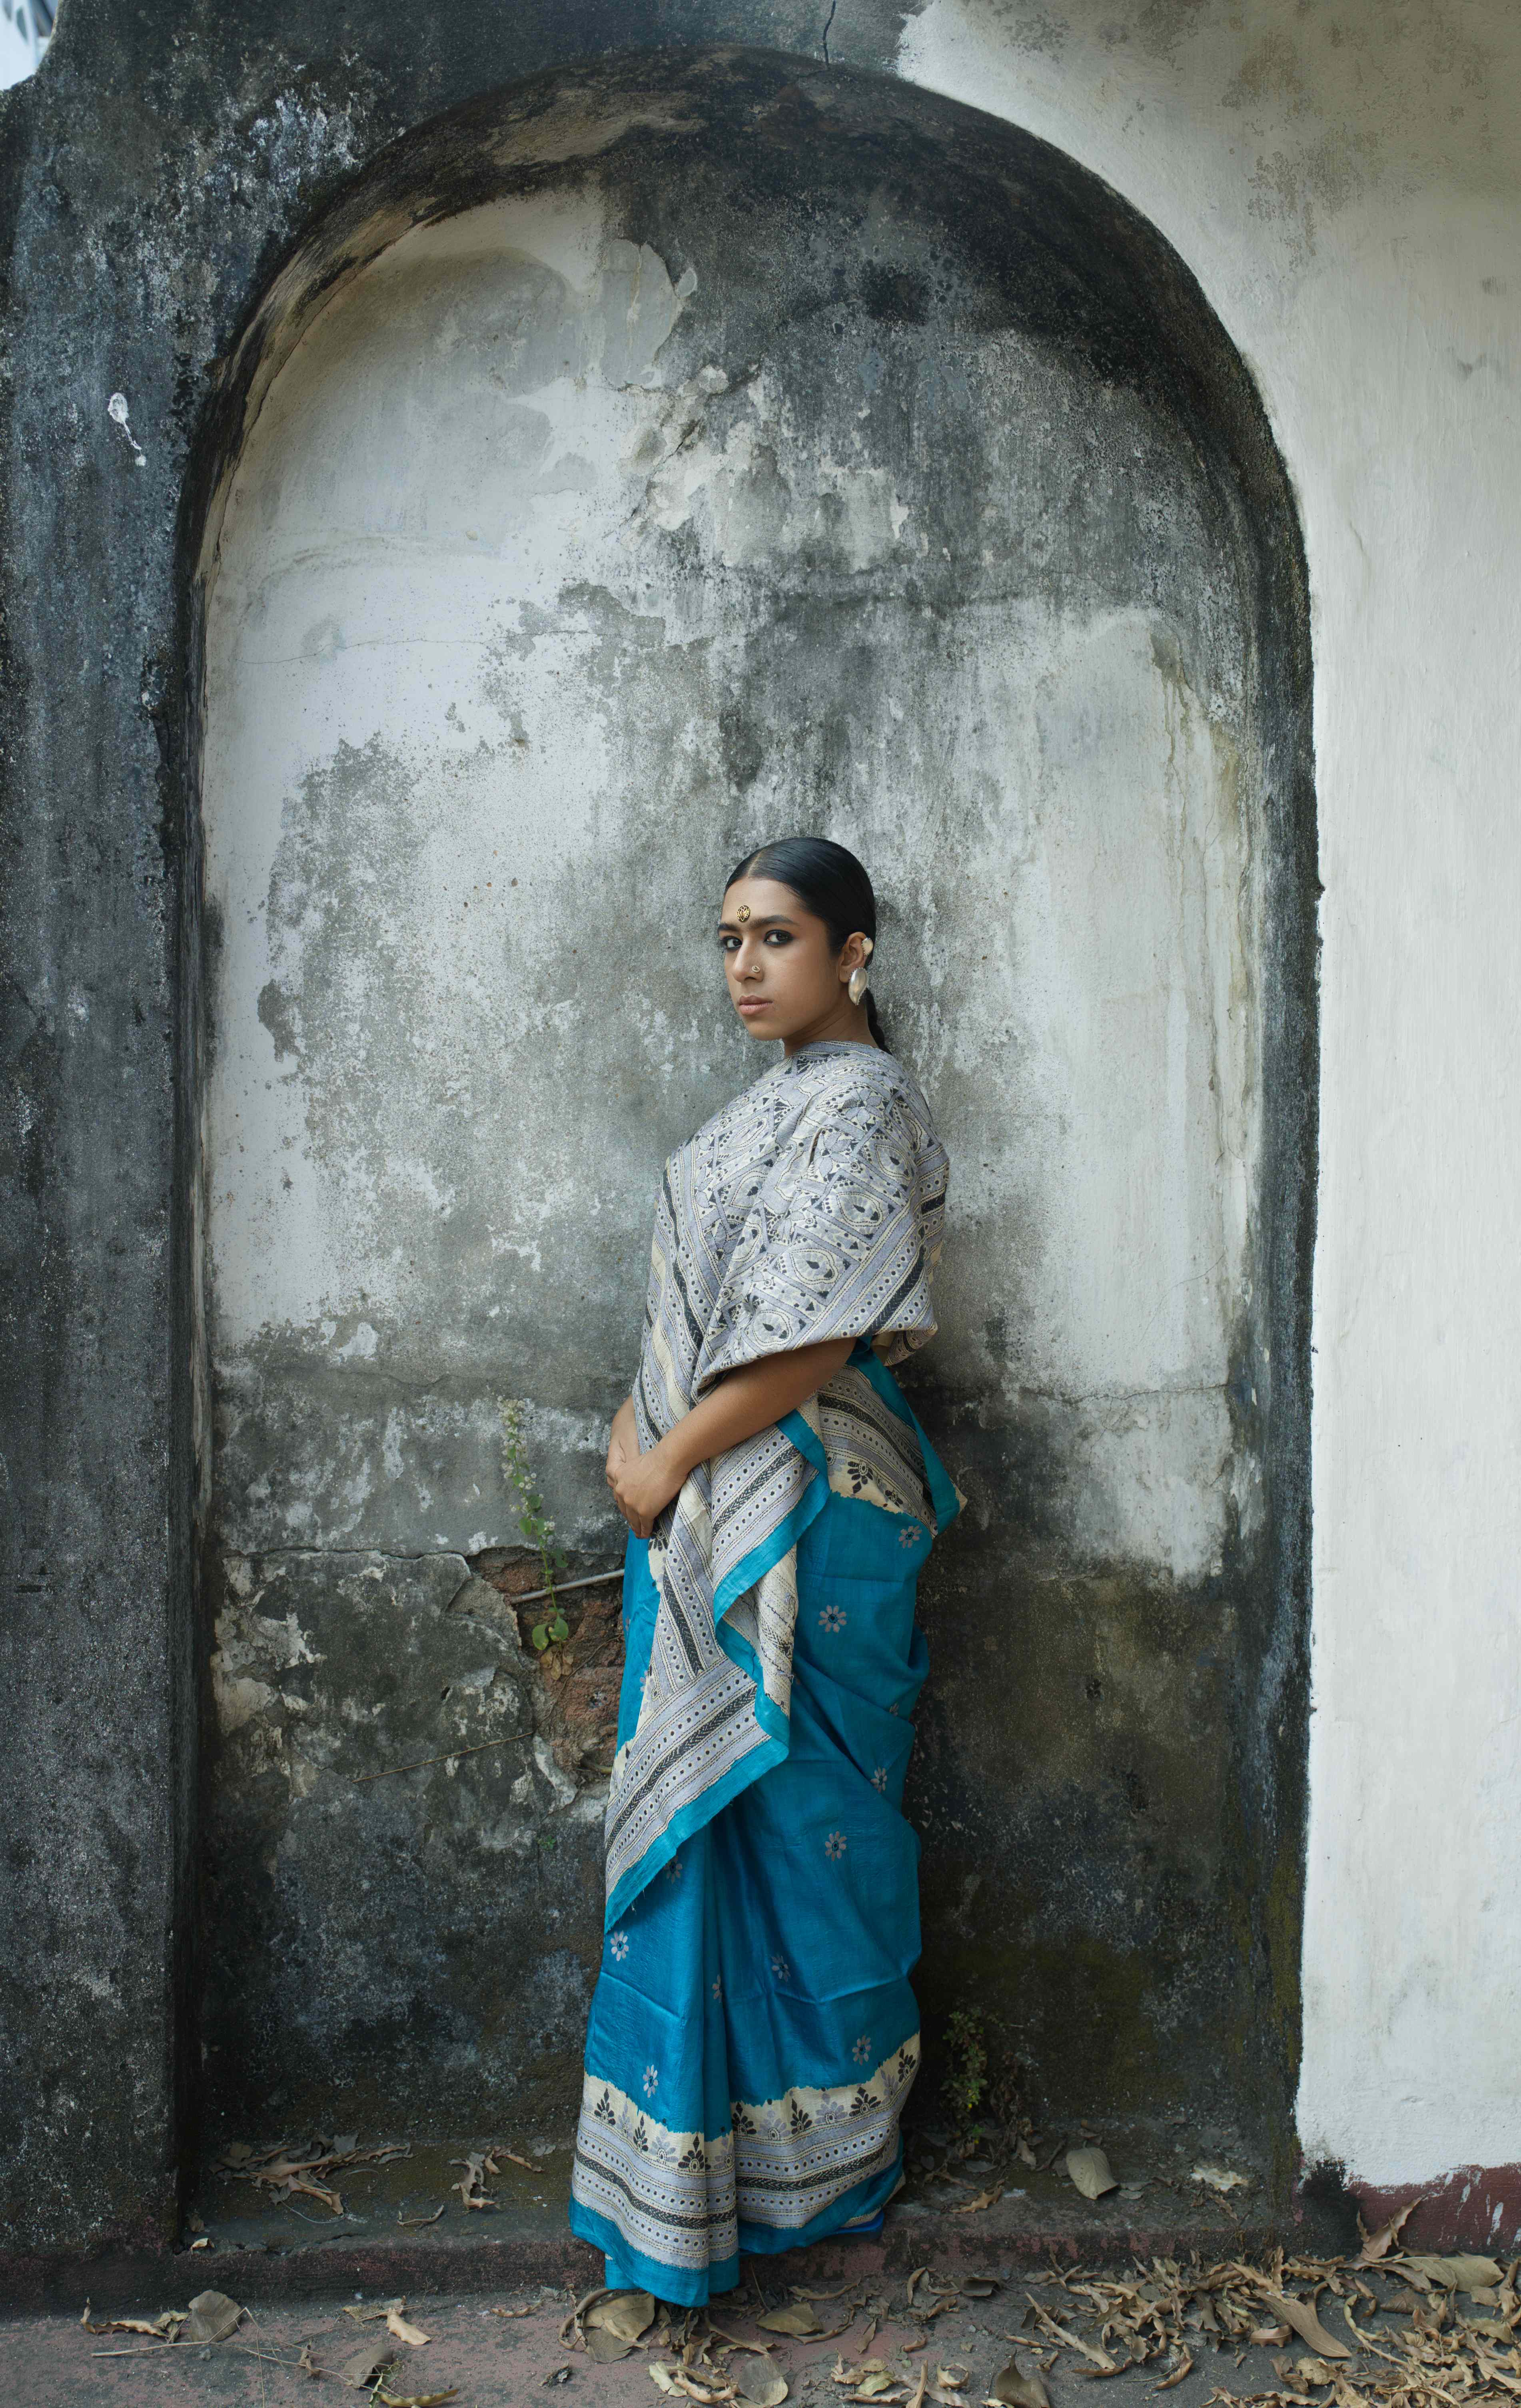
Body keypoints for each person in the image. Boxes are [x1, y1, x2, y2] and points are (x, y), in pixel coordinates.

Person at [567, 835, 960, 2304]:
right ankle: (690, 2183)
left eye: (777, 937)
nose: (744, 966)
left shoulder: (859, 1105)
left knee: (805, 1832)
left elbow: (806, 1339)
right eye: (728, 937)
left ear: (854, 951)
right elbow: (693, 1317)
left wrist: (667, 1464)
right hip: (712, 1496)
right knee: (720, 1835)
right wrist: (638, 1423)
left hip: (810, 1509)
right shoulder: (770, 1108)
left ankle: (819, 2176)